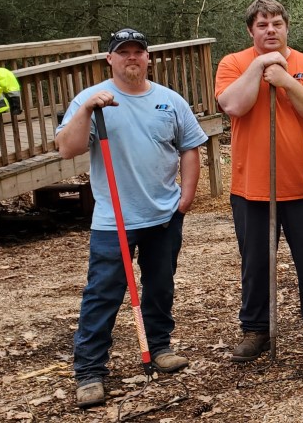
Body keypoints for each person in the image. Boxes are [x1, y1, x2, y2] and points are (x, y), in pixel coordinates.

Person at [56, 29, 208, 408]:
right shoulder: (91, 100)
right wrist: (89, 109)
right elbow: (67, 148)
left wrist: (185, 198)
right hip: (114, 220)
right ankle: (90, 371)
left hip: (163, 215)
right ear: (110, 59)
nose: (132, 58)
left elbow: (190, 147)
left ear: (148, 58)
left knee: (160, 286)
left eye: (138, 52)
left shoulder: (169, 100)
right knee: (103, 294)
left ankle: (159, 346)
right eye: (123, 53)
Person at [215, 0, 303, 361]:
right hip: (251, 188)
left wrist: (285, 80)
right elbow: (234, 105)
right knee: (255, 263)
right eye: (261, 25)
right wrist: (258, 67)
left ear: (287, 26)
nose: (270, 30)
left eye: (276, 24)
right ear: (250, 30)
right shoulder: (233, 63)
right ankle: (255, 330)